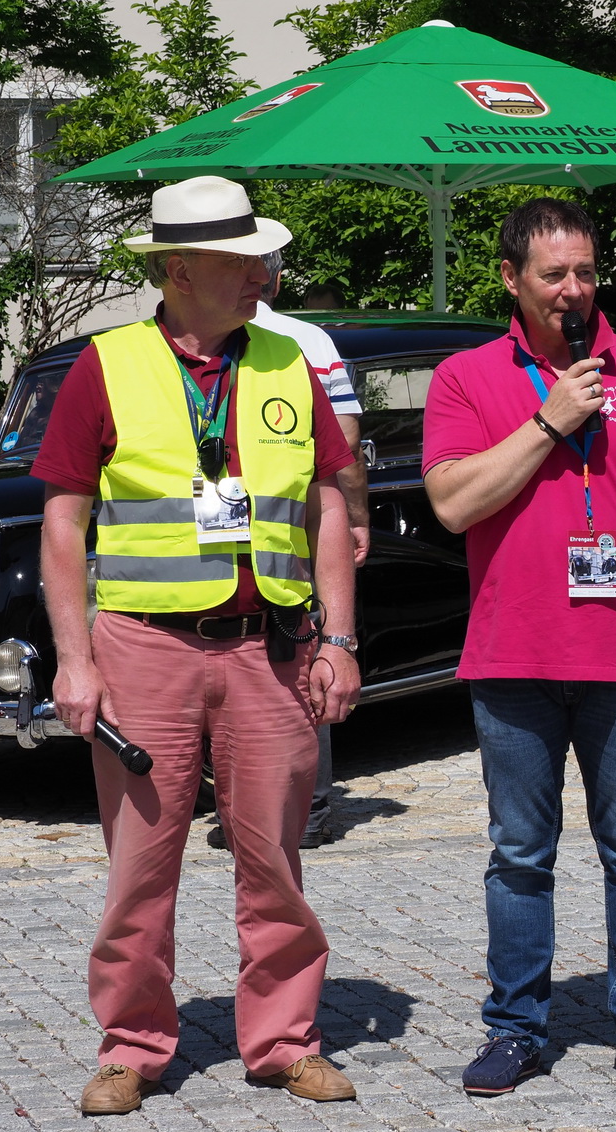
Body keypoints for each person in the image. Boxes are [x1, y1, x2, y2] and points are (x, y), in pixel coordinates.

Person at [34, 175, 362, 1115]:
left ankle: (286, 1038)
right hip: (145, 650)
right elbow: (64, 523)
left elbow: (330, 500)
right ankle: (132, 1044)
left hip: (273, 647)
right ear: (180, 270)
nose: (263, 271)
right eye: (242, 258)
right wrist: (74, 657)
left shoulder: (287, 363)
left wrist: (339, 634)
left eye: (262, 255)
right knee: (142, 864)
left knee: (277, 860)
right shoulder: (105, 365)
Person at [421, 197, 616, 1102]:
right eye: (554, 274)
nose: (573, 290)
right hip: (512, 659)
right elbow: (455, 503)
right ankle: (515, 1028)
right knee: (519, 852)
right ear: (513, 279)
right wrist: (550, 420)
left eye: (585, 271)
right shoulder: (465, 378)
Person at [219, 248, 371, 850]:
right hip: (296, 531)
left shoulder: (183, 343)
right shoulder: (307, 339)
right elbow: (347, 443)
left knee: (229, 667)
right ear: (276, 277)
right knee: (304, 659)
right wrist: (355, 519)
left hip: (212, 542)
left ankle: (238, 808)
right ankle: (307, 809)